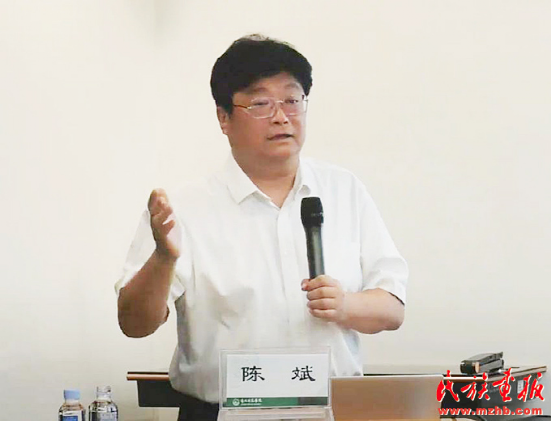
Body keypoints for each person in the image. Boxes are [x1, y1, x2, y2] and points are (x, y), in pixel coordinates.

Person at [116, 34, 408, 421]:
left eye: (292, 100)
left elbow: (392, 307)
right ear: (224, 118)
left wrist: (345, 305)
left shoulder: (344, 191)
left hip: (330, 413)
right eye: (260, 104)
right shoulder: (183, 208)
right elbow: (134, 324)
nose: (281, 116)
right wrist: (163, 260)